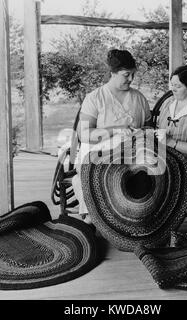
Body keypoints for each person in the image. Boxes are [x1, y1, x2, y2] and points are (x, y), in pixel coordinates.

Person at [72, 49, 152, 223]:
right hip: (99, 154)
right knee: (86, 176)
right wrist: (116, 129)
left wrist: (142, 133)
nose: (131, 79)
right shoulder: (95, 98)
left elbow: (148, 127)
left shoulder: (139, 98)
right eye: (126, 75)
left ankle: (125, 219)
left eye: (133, 74)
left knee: (142, 172)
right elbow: (84, 134)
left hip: (131, 156)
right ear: (112, 73)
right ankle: (97, 220)